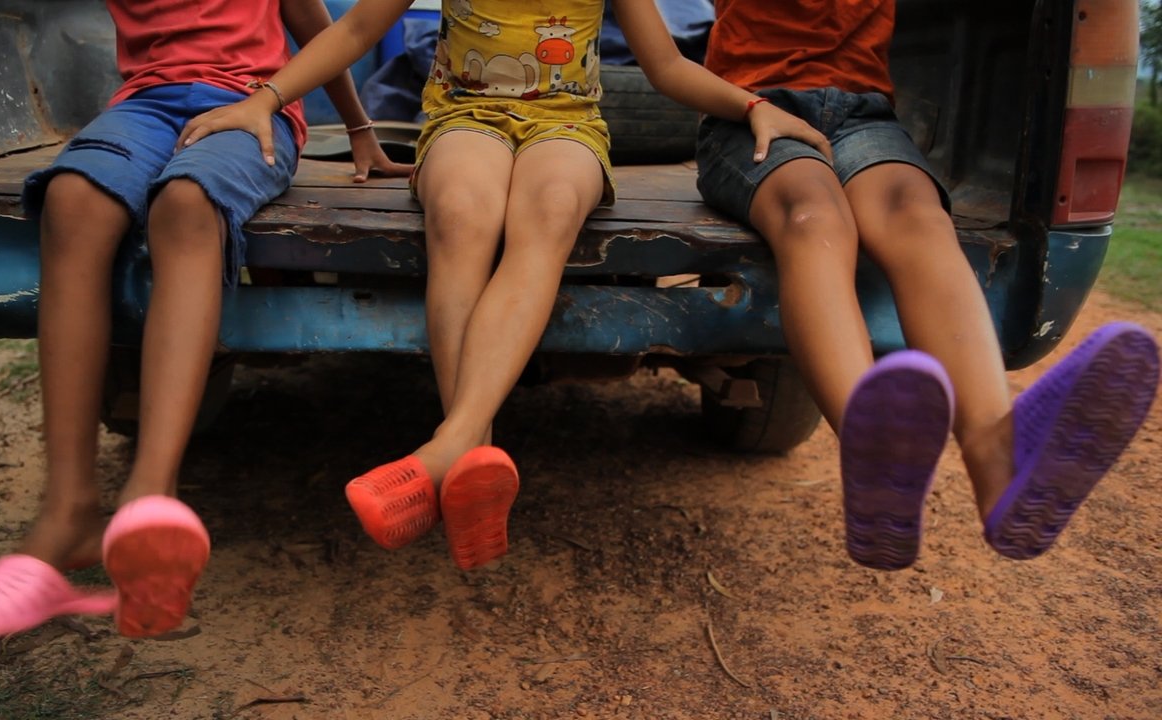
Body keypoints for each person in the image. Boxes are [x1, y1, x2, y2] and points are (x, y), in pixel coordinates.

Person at [174, 0, 833, 570]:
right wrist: (265, 99)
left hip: (567, 128)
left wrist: (753, 106)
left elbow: (664, 66)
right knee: (462, 214)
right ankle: (475, 459)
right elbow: (354, 30)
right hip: (464, 121)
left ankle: (451, 445)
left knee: (551, 209)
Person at [0, 0, 412, 640]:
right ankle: (68, 511)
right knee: (71, 199)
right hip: (145, 106)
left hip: (252, 106)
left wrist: (358, 128)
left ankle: (151, 495)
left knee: (186, 202)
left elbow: (324, 26)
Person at [694, 0, 1160, 570]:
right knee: (814, 217)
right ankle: (873, 451)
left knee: (919, 217)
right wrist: (748, 104)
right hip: (751, 109)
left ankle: (999, 464)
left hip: (863, 115)